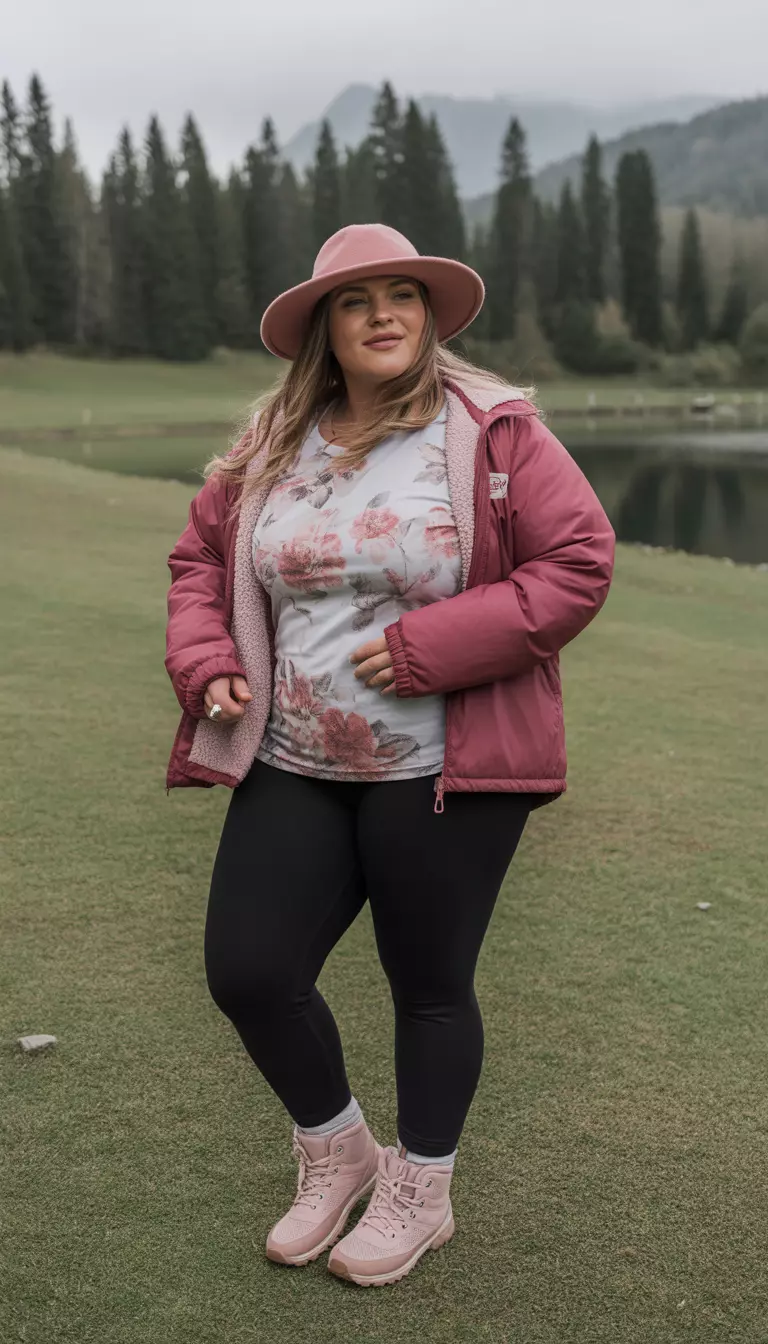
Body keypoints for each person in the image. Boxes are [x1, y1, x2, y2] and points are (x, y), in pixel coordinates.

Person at [164, 223, 615, 1288]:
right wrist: (209, 658)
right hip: (292, 757)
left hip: (443, 768)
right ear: (325, 324)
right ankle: (336, 1150)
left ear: (428, 314)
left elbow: (578, 562)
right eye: (357, 300)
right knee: (251, 970)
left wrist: (425, 650)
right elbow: (199, 563)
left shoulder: (494, 430)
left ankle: (422, 1189)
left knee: (429, 985)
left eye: (402, 296)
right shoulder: (275, 438)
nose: (382, 315)